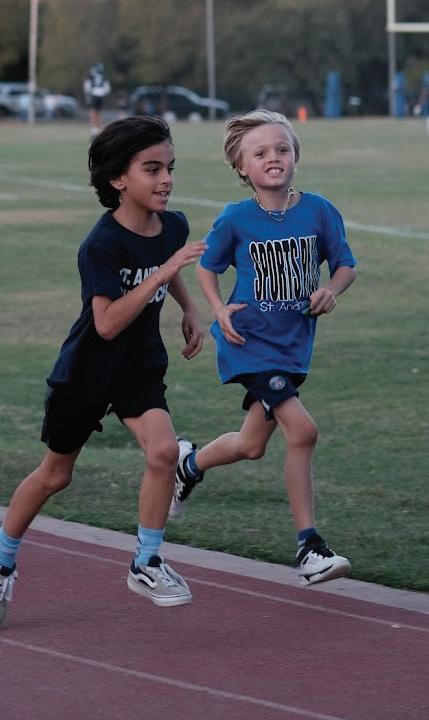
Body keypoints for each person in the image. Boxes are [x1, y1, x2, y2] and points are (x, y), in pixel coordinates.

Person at [0, 115, 206, 628]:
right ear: (118, 178)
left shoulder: (174, 225)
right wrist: (164, 275)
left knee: (165, 452)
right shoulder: (100, 244)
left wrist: (188, 307)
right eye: (152, 169)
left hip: (139, 367)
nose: (166, 179)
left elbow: (168, 264)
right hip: (87, 371)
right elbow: (106, 323)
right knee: (56, 474)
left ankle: (146, 562)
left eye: (170, 167)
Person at [170, 109, 357, 586]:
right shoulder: (237, 218)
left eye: (282, 149)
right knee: (304, 431)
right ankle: (309, 547)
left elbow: (345, 265)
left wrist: (331, 290)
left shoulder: (319, 210)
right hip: (249, 344)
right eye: (260, 153)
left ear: (295, 156)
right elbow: (206, 268)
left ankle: (188, 465)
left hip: (293, 348)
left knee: (251, 445)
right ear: (241, 166)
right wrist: (218, 310)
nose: (273, 157)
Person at [83, 62, 111, 136]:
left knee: (93, 112)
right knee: (99, 113)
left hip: (94, 96)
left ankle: (94, 130)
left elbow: (87, 87)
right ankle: (98, 130)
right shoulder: (103, 77)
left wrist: (89, 95)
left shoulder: (91, 77)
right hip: (100, 96)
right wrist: (102, 93)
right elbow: (107, 89)